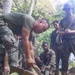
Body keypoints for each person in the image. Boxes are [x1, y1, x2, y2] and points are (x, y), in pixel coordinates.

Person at [59, 2, 75, 75]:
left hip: (74, 39)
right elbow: (59, 31)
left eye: (69, 9)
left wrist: (71, 31)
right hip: (65, 41)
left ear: (71, 9)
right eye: (66, 9)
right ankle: (64, 73)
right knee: (64, 59)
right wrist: (64, 32)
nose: (68, 10)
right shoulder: (62, 21)